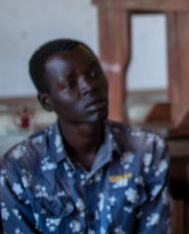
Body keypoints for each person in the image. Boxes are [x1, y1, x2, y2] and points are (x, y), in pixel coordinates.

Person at [0, 39, 170, 233]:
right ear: (47, 102)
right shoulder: (21, 166)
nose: (89, 86)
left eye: (94, 73)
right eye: (70, 83)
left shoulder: (146, 149)